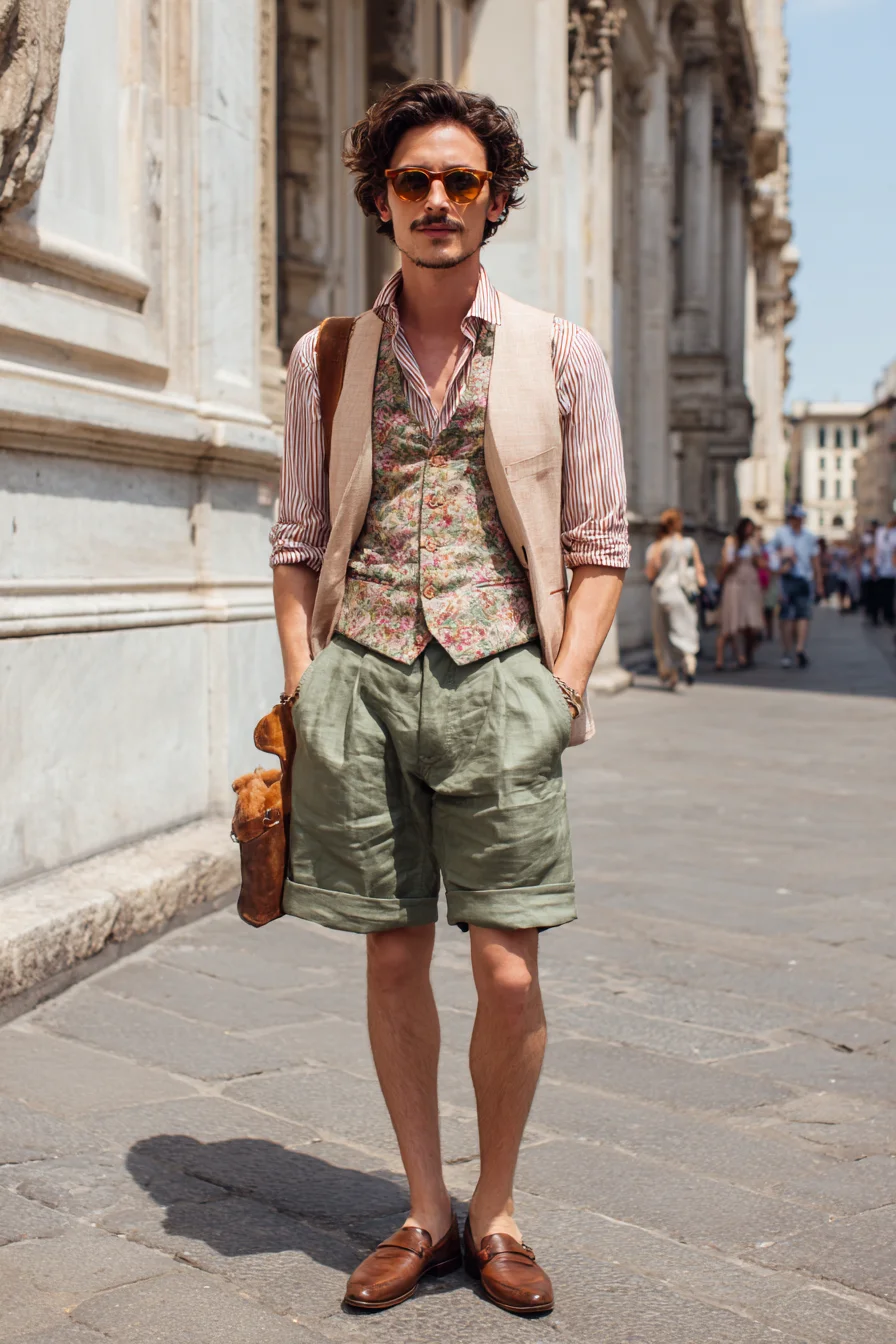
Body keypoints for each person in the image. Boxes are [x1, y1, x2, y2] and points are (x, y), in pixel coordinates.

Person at [269, 80, 629, 1316]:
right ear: (378, 199)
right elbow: (295, 540)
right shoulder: (325, 357)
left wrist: (559, 687)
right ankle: (426, 1207)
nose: (436, 200)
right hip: (360, 675)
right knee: (390, 957)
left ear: (495, 200)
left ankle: (501, 1207)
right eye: (413, 180)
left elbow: (598, 545)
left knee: (510, 969)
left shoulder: (558, 352)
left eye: (459, 181)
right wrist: (306, 689)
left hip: (498, 681)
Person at [645, 508, 706, 689]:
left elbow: (651, 572)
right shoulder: (689, 543)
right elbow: (700, 570)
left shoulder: (657, 545)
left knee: (662, 633)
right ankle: (689, 659)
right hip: (684, 593)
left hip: (663, 592)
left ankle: (669, 673)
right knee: (685, 627)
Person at [766, 504, 822, 668]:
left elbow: (815, 559)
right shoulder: (781, 533)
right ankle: (787, 650)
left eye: (800, 518)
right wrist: (782, 558)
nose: (798, 522)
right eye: (795, 518)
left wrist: (819, 582)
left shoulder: (809, 536)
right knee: (786, 617)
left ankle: (800, 648)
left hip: (803, 578)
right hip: (786, 579)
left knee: (803, 614)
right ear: (790, 519)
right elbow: (769, 551)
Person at [715, 517, 764, 670]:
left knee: (751, 623)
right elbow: (727, 563)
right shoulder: (732, 542)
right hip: (735, 584)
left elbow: (759, 562)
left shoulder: (753, 543)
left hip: (750, 585)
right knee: (732, 621)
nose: (750, 531)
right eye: (748, 527)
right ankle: (729, 658)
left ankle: (746, 655)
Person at [872, 515, 896, 627]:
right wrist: (874, 566)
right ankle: (876, 615)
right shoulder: (881, 532)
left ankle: (888, 615)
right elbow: (877, 551)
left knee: (889, 595)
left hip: (891, 571)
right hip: (882, 569)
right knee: (879, 594)